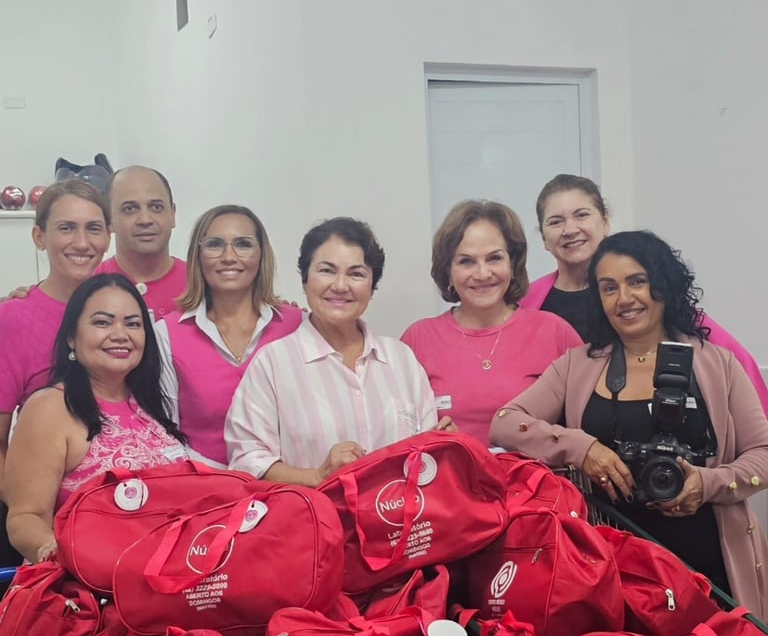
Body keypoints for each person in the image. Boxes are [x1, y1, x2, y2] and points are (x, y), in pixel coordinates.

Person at [490, 230, 768, 618]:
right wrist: (582, 448)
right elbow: (504, 424)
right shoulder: (579, 365)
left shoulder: (716, 364)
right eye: (608, 288)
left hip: (709, 554)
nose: (624, 299)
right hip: (612, 563)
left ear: (663, 284)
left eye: (637, 281)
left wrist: (708, 484)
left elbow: (764, 453)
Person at [226, 217, 452, 486]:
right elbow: (247, 461)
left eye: (356, 274)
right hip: (313, 522)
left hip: (401, 523)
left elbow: (425, 454)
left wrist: (444, 446)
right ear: (305, 279)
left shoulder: (401, 359)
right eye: (327, 270)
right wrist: (317, 476)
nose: (341, 286)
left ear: (372, 286)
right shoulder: (273, 364)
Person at [521, 173, 768, 414]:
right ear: (543, 237)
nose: (570, 229)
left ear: (605, 222)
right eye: (555, 221)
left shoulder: (651, 298)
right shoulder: (527, 303)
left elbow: (734, 363)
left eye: (581, 215)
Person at [4, 274, 187, 563]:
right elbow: (25, 519)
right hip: (86, 592)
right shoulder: (49, 408)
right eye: (102, 322)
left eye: (133, 323)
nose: (120, 334)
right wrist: (67, 560)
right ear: (71, 338)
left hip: (164, 581)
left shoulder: (151, 403)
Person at [401, 200, 581, 443]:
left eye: (494, 258)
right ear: (447, 270)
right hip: (448, 479)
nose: (483, 274)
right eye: (466, 261)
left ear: (513, 263)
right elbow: (397, 435)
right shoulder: (418, 339)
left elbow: (587, 424)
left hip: (537, 479)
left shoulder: (554, 331)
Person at [0, 179, 111, 565]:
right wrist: (29, 514)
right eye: (66, 227)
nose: (82, 243)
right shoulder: (14, 319)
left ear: (108, 237)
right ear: (39, 236)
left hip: (126, 518)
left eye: (93, 228)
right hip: (52, 530)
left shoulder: (124, 307)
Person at [155, 204, 302, 467]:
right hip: (206, 488)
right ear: (197, 255)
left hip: (289, 486)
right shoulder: (167, 333)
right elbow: (166, 434)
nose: (229, 257)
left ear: (261, 255)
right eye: (214, 244)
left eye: (243, 244)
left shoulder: (297, 324)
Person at [98, 165, 187, 319]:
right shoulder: (91, 286)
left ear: (173, 215)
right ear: (109, 220)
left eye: (156, 207)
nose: (145, 220)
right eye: (130, 209)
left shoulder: (201, 285)